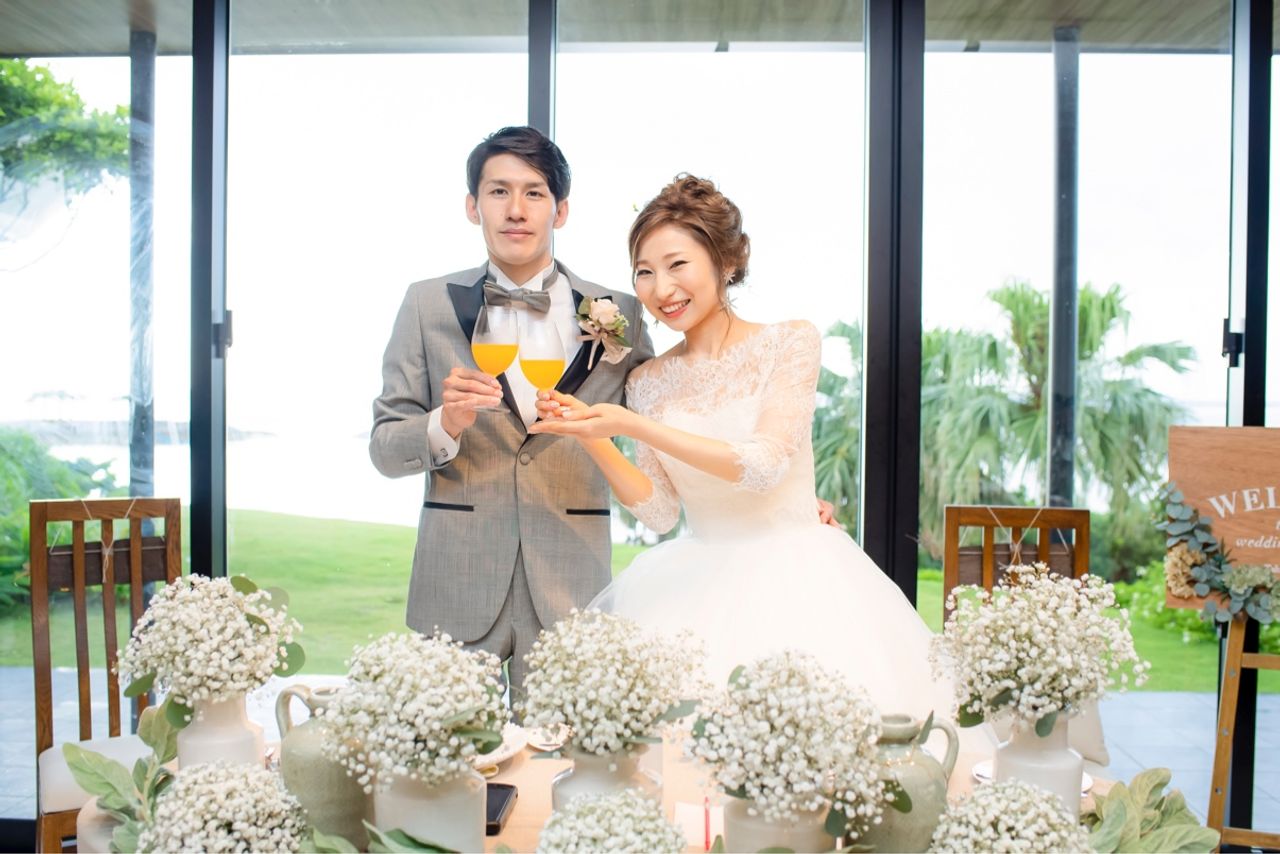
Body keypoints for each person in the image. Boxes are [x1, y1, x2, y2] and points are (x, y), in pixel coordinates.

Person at [530, 174, 960, 725]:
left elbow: (764, 464)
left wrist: (635, 428)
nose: (661, 289)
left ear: (726, 262)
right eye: (644, 271)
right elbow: (659, 512)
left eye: (677, 264)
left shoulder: (789, 342)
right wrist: (594, 437)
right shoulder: (647, 381)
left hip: (800, 577)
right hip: (693, 585)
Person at [369, 126, 654, 695]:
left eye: (534, 193)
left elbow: (665, 424)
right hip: (455, 585)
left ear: (561, 210)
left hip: (572, 586)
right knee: (446, 750)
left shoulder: (619, 311)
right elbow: (384, 448)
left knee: (563, 751)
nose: (516, 210)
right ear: (472, 206)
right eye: (498, 191)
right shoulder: (425, 303)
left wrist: (777, 500)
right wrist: (444, 424)